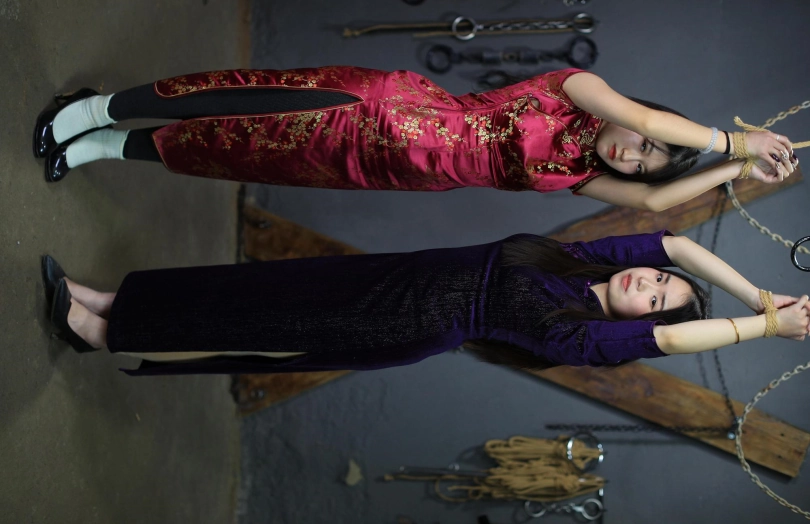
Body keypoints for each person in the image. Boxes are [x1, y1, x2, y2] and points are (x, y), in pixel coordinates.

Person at [41, 231, 810, 376]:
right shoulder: (583, 263)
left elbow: (673, 342)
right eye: (659, 280)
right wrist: (758, 290)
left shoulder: (588, 338)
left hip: (398, 320)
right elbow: (676, 242)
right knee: (249, 288)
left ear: (644, 325)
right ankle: (114, 299)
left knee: (256, 321)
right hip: (389, 275)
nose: (651, 283)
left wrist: (762, 326)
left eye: (660, 300)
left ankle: (104, 335)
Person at [33, 68, 798, 211]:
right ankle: (98, 108)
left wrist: (735, 174)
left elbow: (657, 206)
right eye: (643, 141)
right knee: (245, 105)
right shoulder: (580, 90)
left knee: (232, 152)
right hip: (376, 110)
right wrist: (736, 140)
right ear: (640, 118)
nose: (636, 153)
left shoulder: (577, 175)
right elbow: (661, 126)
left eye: (646, 161)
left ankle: (104, 148)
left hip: (382, 171)